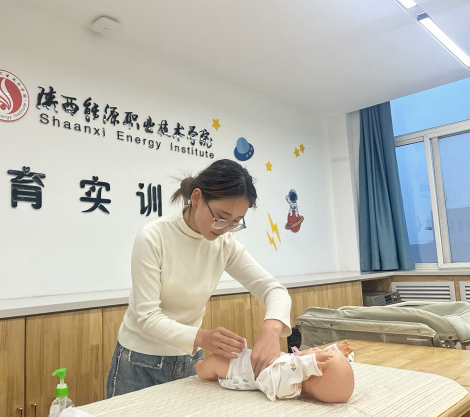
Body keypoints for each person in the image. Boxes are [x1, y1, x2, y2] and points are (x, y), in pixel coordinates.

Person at [106, 159, 293, 398]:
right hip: (139, 362)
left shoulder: (225, 244)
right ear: (196, 198)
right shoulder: (153, 237)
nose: (224, 228)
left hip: (191, 358)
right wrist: (204, 337)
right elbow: (147, 317)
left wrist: (271, 331)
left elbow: (273, 290)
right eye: (221, 217)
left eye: (235, 222)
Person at [194, 340, 355, 403]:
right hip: (251, 359)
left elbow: (293, 368)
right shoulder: (299, 371)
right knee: (219, 360)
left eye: (318, 353)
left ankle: (200, 369)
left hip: (240, 370)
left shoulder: (289, 387)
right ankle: (211, 374)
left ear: (310, 373)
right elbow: (305, 362)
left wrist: (307, 363)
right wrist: (335, 351)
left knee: (213, 361)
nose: (316, 350)